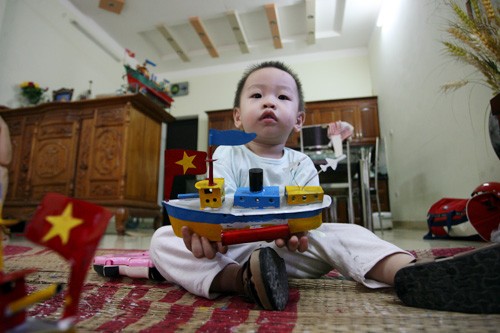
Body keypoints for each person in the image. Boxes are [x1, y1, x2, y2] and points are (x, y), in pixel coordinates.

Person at [149, 61, 500, 314]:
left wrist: (300, 230)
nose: (269, 102)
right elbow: (217, 201)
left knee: (345, 231)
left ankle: (412, 274)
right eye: (257, 95)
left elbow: (311, 213)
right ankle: (238, 280)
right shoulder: (226, 153)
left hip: (290, 250)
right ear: (238, 116)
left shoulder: (301, 163)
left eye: (282, 98)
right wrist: (201, 229)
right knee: (162, 239)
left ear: (298, 120)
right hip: (229, 249)